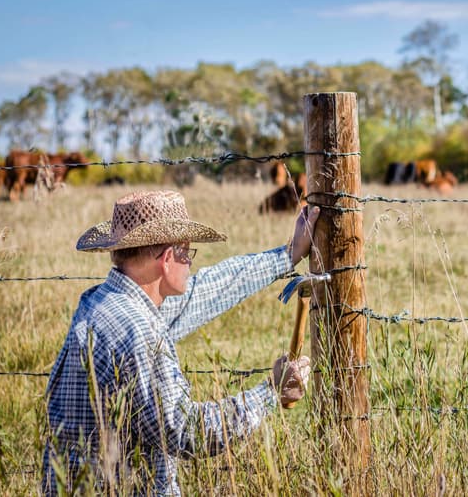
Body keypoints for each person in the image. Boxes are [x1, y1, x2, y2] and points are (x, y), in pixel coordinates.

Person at [41, 189, 320, 496]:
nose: (190, 264)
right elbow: (185, 431)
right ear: (167, 258)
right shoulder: (140, 331)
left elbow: (208, 290)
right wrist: (270, 392)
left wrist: (288, 255)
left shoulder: (104, 302)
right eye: (188, 253)